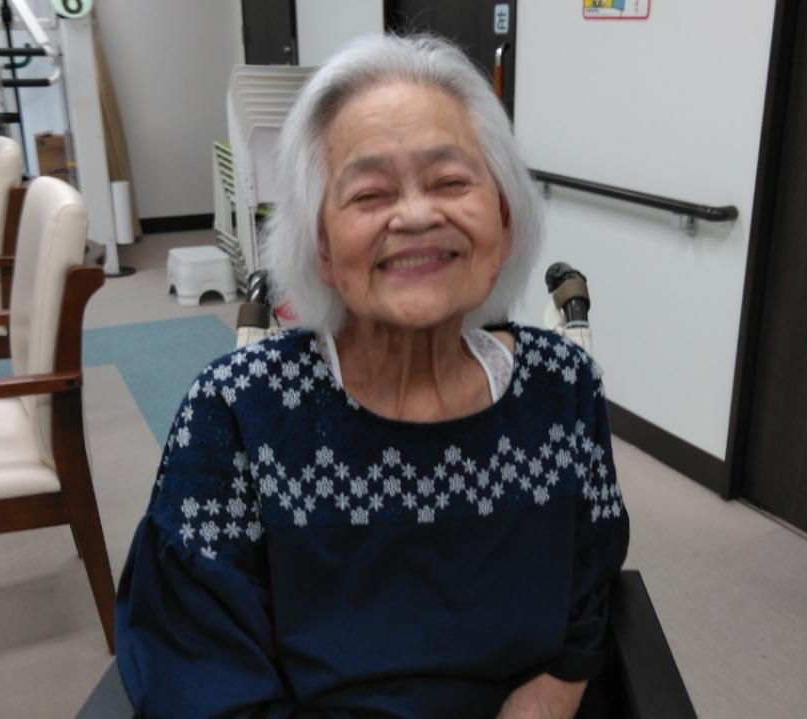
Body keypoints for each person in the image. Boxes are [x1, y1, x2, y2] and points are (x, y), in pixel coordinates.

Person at [115, 34, 629, 718]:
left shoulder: (563, 388)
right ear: (322, 248)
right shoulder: (235, 413)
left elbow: (589, 583)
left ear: (504, 222)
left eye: (450, 182)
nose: (415, 215)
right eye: (369, 193)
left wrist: (549, 695)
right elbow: (195, 668)